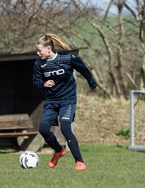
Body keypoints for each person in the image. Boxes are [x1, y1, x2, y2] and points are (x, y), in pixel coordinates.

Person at [32, 34, 98, 170]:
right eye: (37, 51)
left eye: (40, 50)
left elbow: (84, 70)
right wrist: (44, 84)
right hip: (51, 101)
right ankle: (58, 151)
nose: (38, 53)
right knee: (43, 129)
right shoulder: (39, 64)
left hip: (68, 100)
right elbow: (36, 82)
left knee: (65, 128)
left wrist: (92, 84)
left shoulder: (68, 58)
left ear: (49, 48)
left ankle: (79, 161)